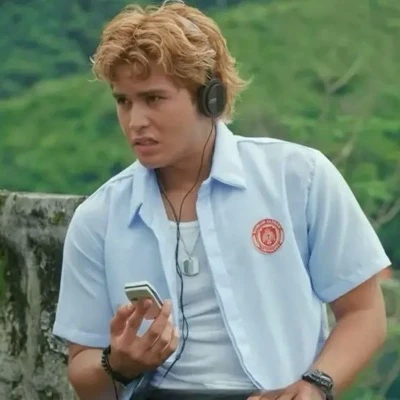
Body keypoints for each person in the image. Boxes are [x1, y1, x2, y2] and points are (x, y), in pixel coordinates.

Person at [52, 1, 390, 400]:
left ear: (210, 97)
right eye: (124, 101)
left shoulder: (299, 178)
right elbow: (83, 370)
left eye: (153, 98)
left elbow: (365, 313)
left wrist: (316, 386)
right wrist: (119, 363)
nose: (135, 121)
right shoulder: (99, 217)